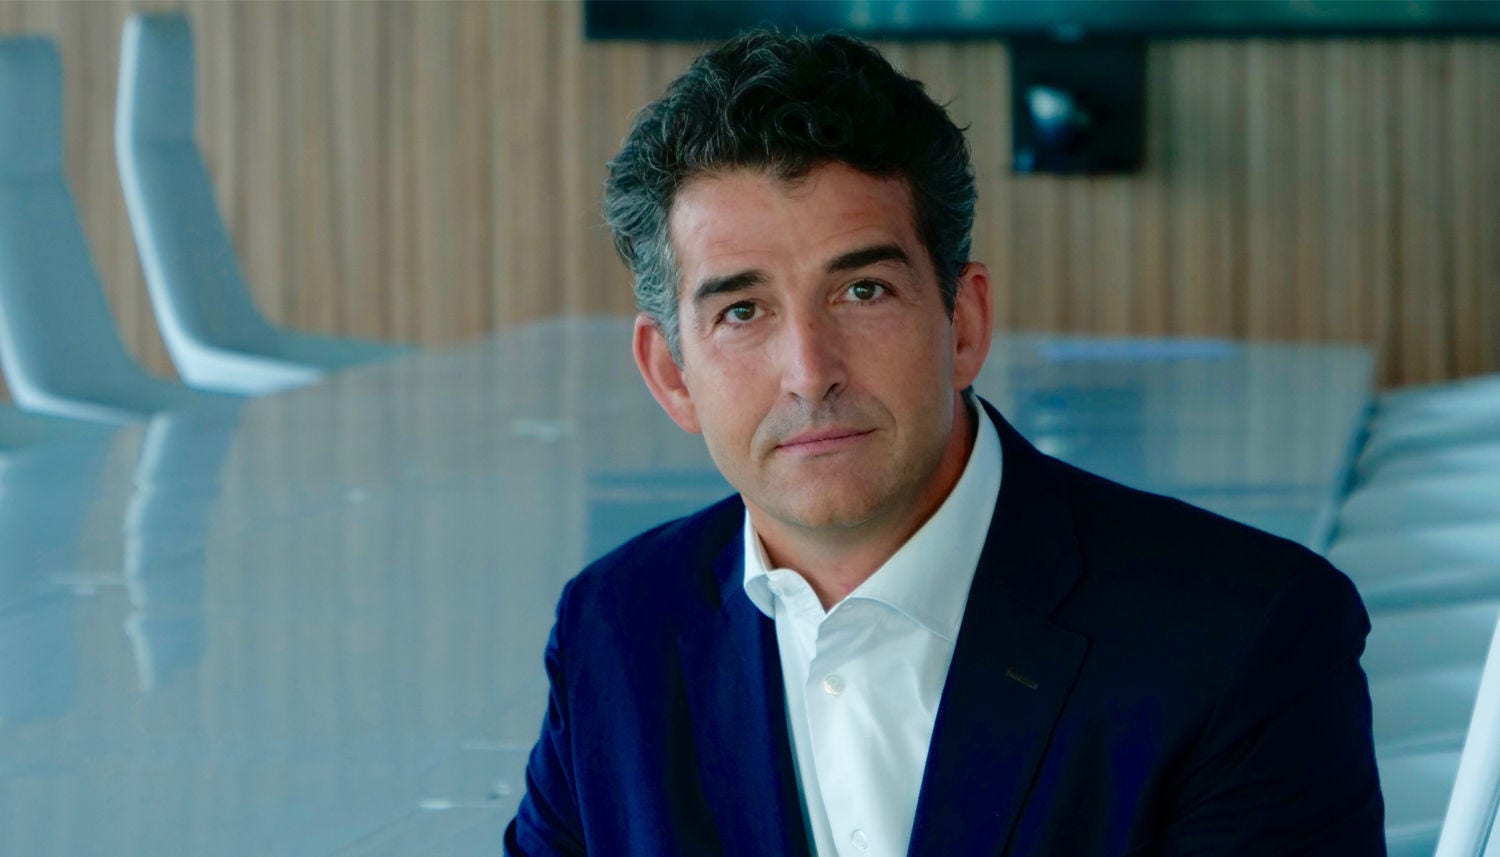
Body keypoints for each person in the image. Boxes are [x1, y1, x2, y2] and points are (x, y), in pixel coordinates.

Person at [506, 30, 1384, 857]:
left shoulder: (1242, 639)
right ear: (671, 373)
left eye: (863, 292)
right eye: (742, 311)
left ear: (963, 323)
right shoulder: (612, 633)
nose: (809, 373)